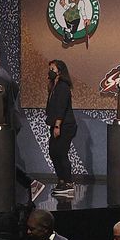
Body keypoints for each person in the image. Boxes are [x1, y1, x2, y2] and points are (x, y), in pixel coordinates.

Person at [0, 45, 39, 205]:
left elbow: (0, 104)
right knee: (3, 159)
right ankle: (27, 185)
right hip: (3, 124)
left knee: (2, 159)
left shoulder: (0, 77)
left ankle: (25, 185)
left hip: (4, 125)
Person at [44, 59, 76, 196]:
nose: (50, 71)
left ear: (60, 71)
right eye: (50, 68)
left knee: (61, 153)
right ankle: (61, 180)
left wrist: (57, 125)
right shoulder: (54, 86)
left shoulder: (63, 86)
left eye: (53, 69)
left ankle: (68, 182)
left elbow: (61, 107)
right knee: (53, 152)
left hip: (65, 125)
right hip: (56, 125)